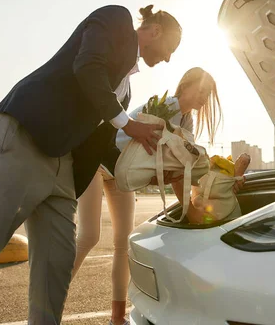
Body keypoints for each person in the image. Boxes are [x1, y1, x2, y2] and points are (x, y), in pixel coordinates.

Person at [0, 4, 182, 325]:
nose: (168, 59)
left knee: (56, 263)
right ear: (154, 31)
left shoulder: (124, 92)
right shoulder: (116, 19)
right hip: (25, 137)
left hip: (62, 165)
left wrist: (155, 168)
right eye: (171, 49)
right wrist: (129, 124)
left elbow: (104, 150)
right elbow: (88, 66)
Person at [71, 67, 221, 325]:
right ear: (185, 86)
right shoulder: (167, 107)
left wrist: (193, 206)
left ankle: (117, 319)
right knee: (89, 237)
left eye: (207, 95)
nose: (203, 98)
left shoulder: (187, 121)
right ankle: (49, 306)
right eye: (201, 91)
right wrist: (189, 209)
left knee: (123, 243)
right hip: (99, 163)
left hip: (122, 174)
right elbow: (173, 169)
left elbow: (180, 169)